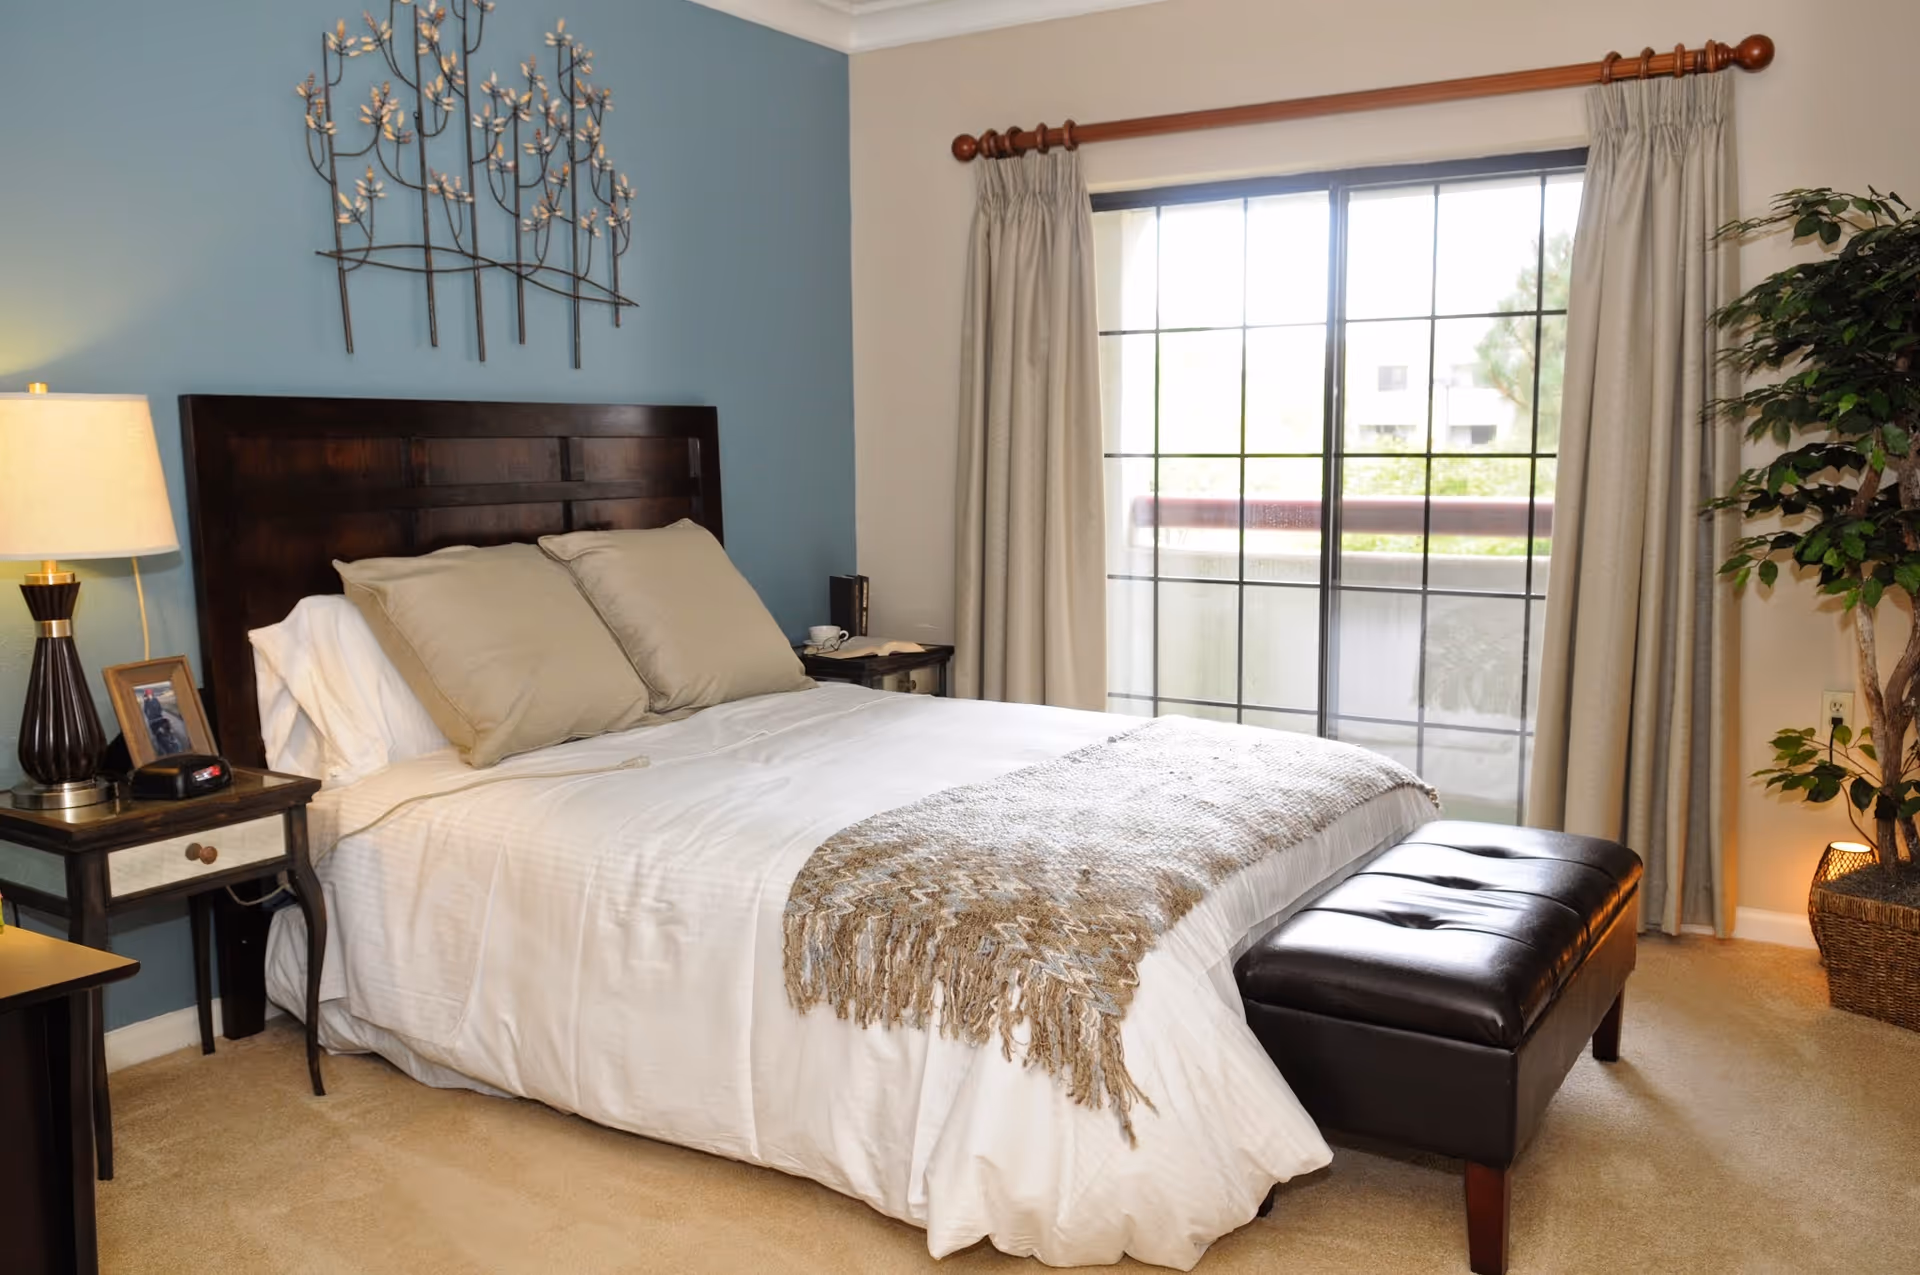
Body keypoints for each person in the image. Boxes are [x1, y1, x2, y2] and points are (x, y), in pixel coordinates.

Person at [143, 690, 184, 757]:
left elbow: (159, 708)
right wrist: (150, 716)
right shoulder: (146, 702)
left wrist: (158, 713)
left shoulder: (155, 700)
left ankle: (173, 744)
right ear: (146, 696)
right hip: (152, 720)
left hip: (159, 718)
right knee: (157, 735)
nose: (149, 696)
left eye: (150, 694)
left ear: (152, 694)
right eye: (148, 695)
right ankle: (162, 750)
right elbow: (145, 711)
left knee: (167, 730)